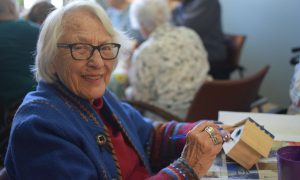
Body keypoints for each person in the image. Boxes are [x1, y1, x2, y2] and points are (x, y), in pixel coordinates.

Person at [4, 1, 230, 179]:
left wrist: (198, 129)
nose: (98, 62)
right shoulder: (39, 127)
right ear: (50, 57)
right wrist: (186, 170)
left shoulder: (99, 96)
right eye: (80, 48)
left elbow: (149, 135)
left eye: (105, 47)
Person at [126, 0, 211, 120]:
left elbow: (140, 99)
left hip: (168, 119)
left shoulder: (145, 51)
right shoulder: (190, 35)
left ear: (142, 25)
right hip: (204, 110)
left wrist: (127, 82)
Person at [171, 0, 228, 79]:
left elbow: (184, 31)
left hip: (208, 60)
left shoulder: (206, 2)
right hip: (190, 57)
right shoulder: (184, 3)